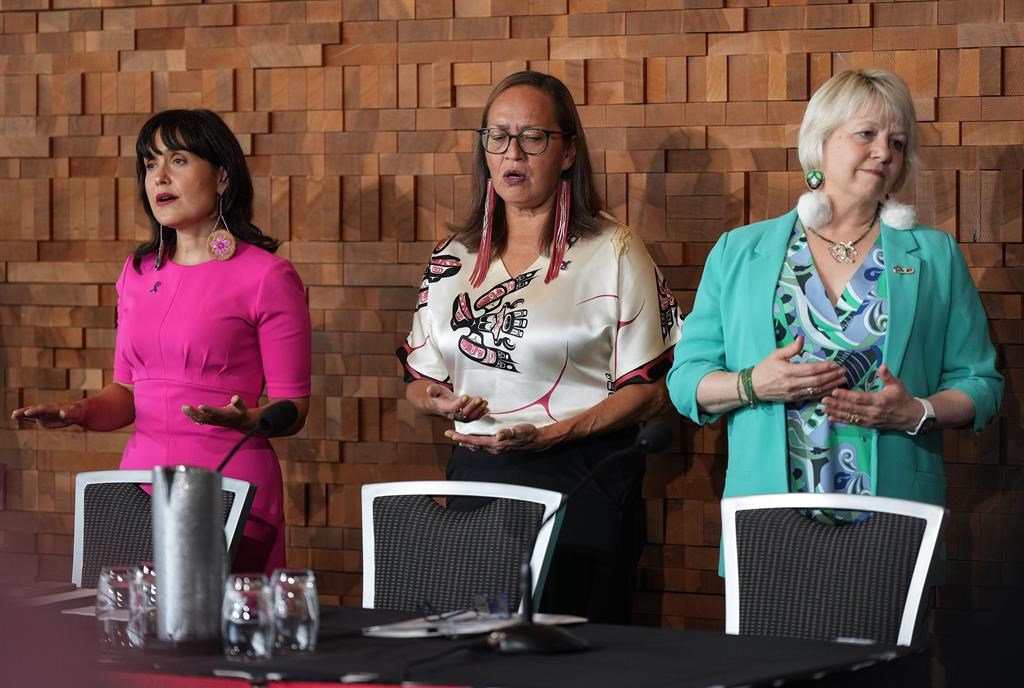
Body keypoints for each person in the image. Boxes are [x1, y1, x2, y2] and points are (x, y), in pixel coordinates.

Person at [667, 69, 1002, 560]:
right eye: (866, 134)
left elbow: (981, 385)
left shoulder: (935, 256)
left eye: (898, 141)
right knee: (769, 641)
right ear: (820, 143)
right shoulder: (740, 251)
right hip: (767, 520)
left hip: (896, 519)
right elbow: (685, 380)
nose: (884, 151)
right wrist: (752, 384)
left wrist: (916, 413)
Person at [397, 71, 682, 623]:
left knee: (574, 664)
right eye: (498, 136)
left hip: (582, 482)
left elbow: (651, 392)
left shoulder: (614, 250)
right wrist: (436, 401)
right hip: (478, 485)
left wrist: (547, 435)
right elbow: (419, 381)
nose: (513, 152)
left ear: (568, 151)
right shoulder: (452, 257)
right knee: (477, 657)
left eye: (533, 137)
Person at [11, 109, 311, 574]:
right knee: (128, 631)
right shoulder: (135, 272)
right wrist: (78, 412)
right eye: (150, 164)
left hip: (230, 484)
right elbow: (127, 394)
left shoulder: (268, 275)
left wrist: (246, 419)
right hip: (138, 487)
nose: (160, 177)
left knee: (225, 635)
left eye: (178, 160)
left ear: (223, 176)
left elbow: (293, 406)